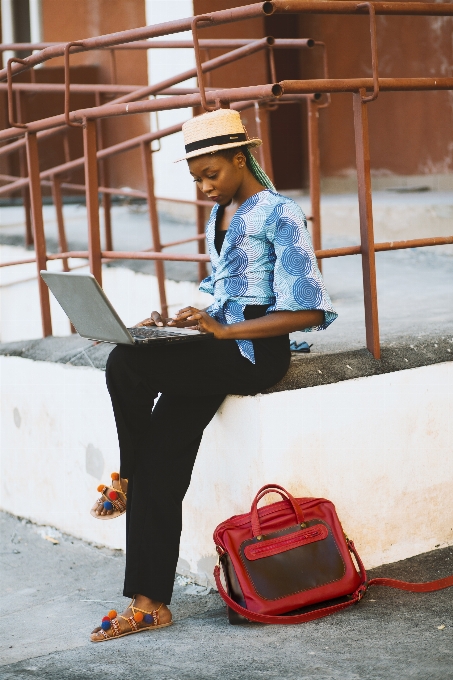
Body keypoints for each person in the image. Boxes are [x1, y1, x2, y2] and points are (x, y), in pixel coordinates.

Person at [89, 108, 337, 642]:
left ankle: (125, 475)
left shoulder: (279, 212)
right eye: (196, 178)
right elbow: (223, 286)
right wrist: (185, 318)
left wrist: (222, 333)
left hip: (254, 354)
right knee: (163, 458)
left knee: (126, 361)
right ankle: (150, 603)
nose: (203, 187)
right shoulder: (221, 213)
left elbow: (312, 309)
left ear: (240, 157)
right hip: (216, 347)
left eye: (211, 174)